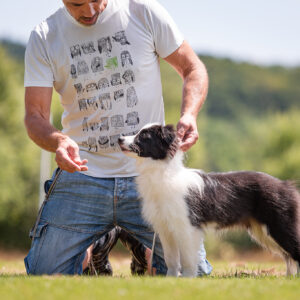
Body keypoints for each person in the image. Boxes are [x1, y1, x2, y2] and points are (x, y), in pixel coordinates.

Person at [24, 0, 212, 276]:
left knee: (191, 272)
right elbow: (34, 116)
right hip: (84, 175)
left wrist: (189, 114)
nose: (89, 11)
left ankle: (139, 245)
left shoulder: (144, 12)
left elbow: (192, 69)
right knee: (44, 271)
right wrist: (59, 141)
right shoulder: (44, 36)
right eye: (77, 4)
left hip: (149, 177)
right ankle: (99, 241)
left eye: (96, 1)